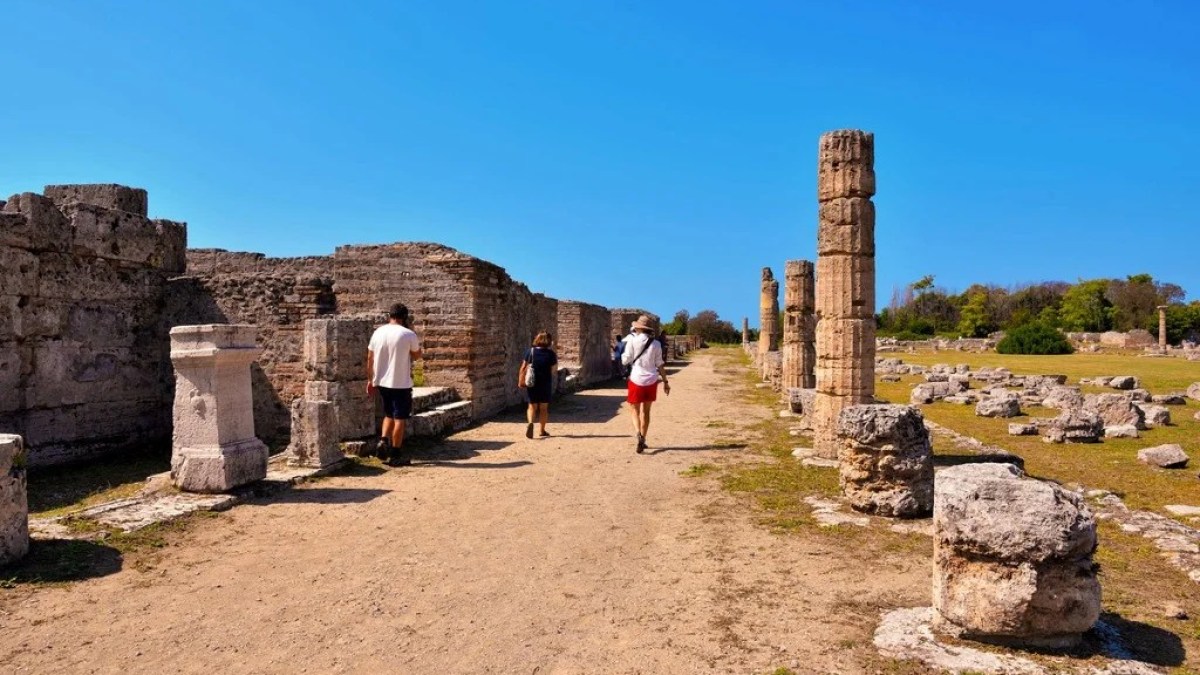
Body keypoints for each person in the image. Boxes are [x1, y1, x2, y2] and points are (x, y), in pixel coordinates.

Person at [366, 303, 422, 466]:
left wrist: (370, 380)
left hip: (382, 381)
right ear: (404, 317)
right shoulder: (408, 334)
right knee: (400, 418)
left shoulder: (378, 332)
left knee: (388, 414)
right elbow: (417, 355)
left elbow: (370, 358)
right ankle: (396, 454)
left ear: (389, 315)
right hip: (401, 382)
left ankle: (383, 440)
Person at [621, 315, 670, 453]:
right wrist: (666, 382)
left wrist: (623, 358)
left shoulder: (632, 341)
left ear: (638, 328)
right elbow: (660, 364)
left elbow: (625, 360)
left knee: (634, 410)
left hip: (636, 379)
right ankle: (644, 438)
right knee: (646, 412)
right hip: (651, 380)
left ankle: (638, 434)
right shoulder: (656, 344)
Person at [519, 332, 558, 439]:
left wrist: (520, 381)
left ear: (537, 339)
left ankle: (531, 423)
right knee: (544, 408)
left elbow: (523, 367)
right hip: (545, 383)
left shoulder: (530, 351)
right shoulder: (551, 354)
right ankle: (542, 430)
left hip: (532, 382)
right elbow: (553, 370)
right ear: (549, 341)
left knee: (532, 406)